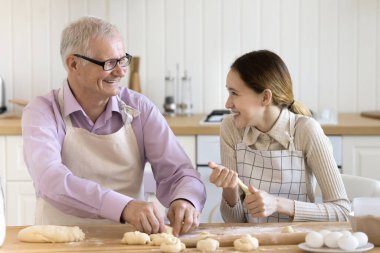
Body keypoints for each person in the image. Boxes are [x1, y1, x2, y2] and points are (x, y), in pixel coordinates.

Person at [22, 16, 206, 236]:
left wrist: (185, 199)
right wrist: (123, 207)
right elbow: (50, 179)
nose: (120, 72)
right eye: (109, 63)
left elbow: (178, 172)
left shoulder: (140, 108)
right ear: (73, 64)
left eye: (122, 60)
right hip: (58, 240)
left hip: (129, 240)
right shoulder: (42, 111)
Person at [208, 50, 350, 223]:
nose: (228, 103)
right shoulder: (231, 128)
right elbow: (234, 223)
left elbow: (342, 211)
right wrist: (230, 190)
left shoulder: (305, 131)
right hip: (252, 244)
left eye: (234, 93)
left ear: (265, 97)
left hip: (298, 243)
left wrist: (276, 204)